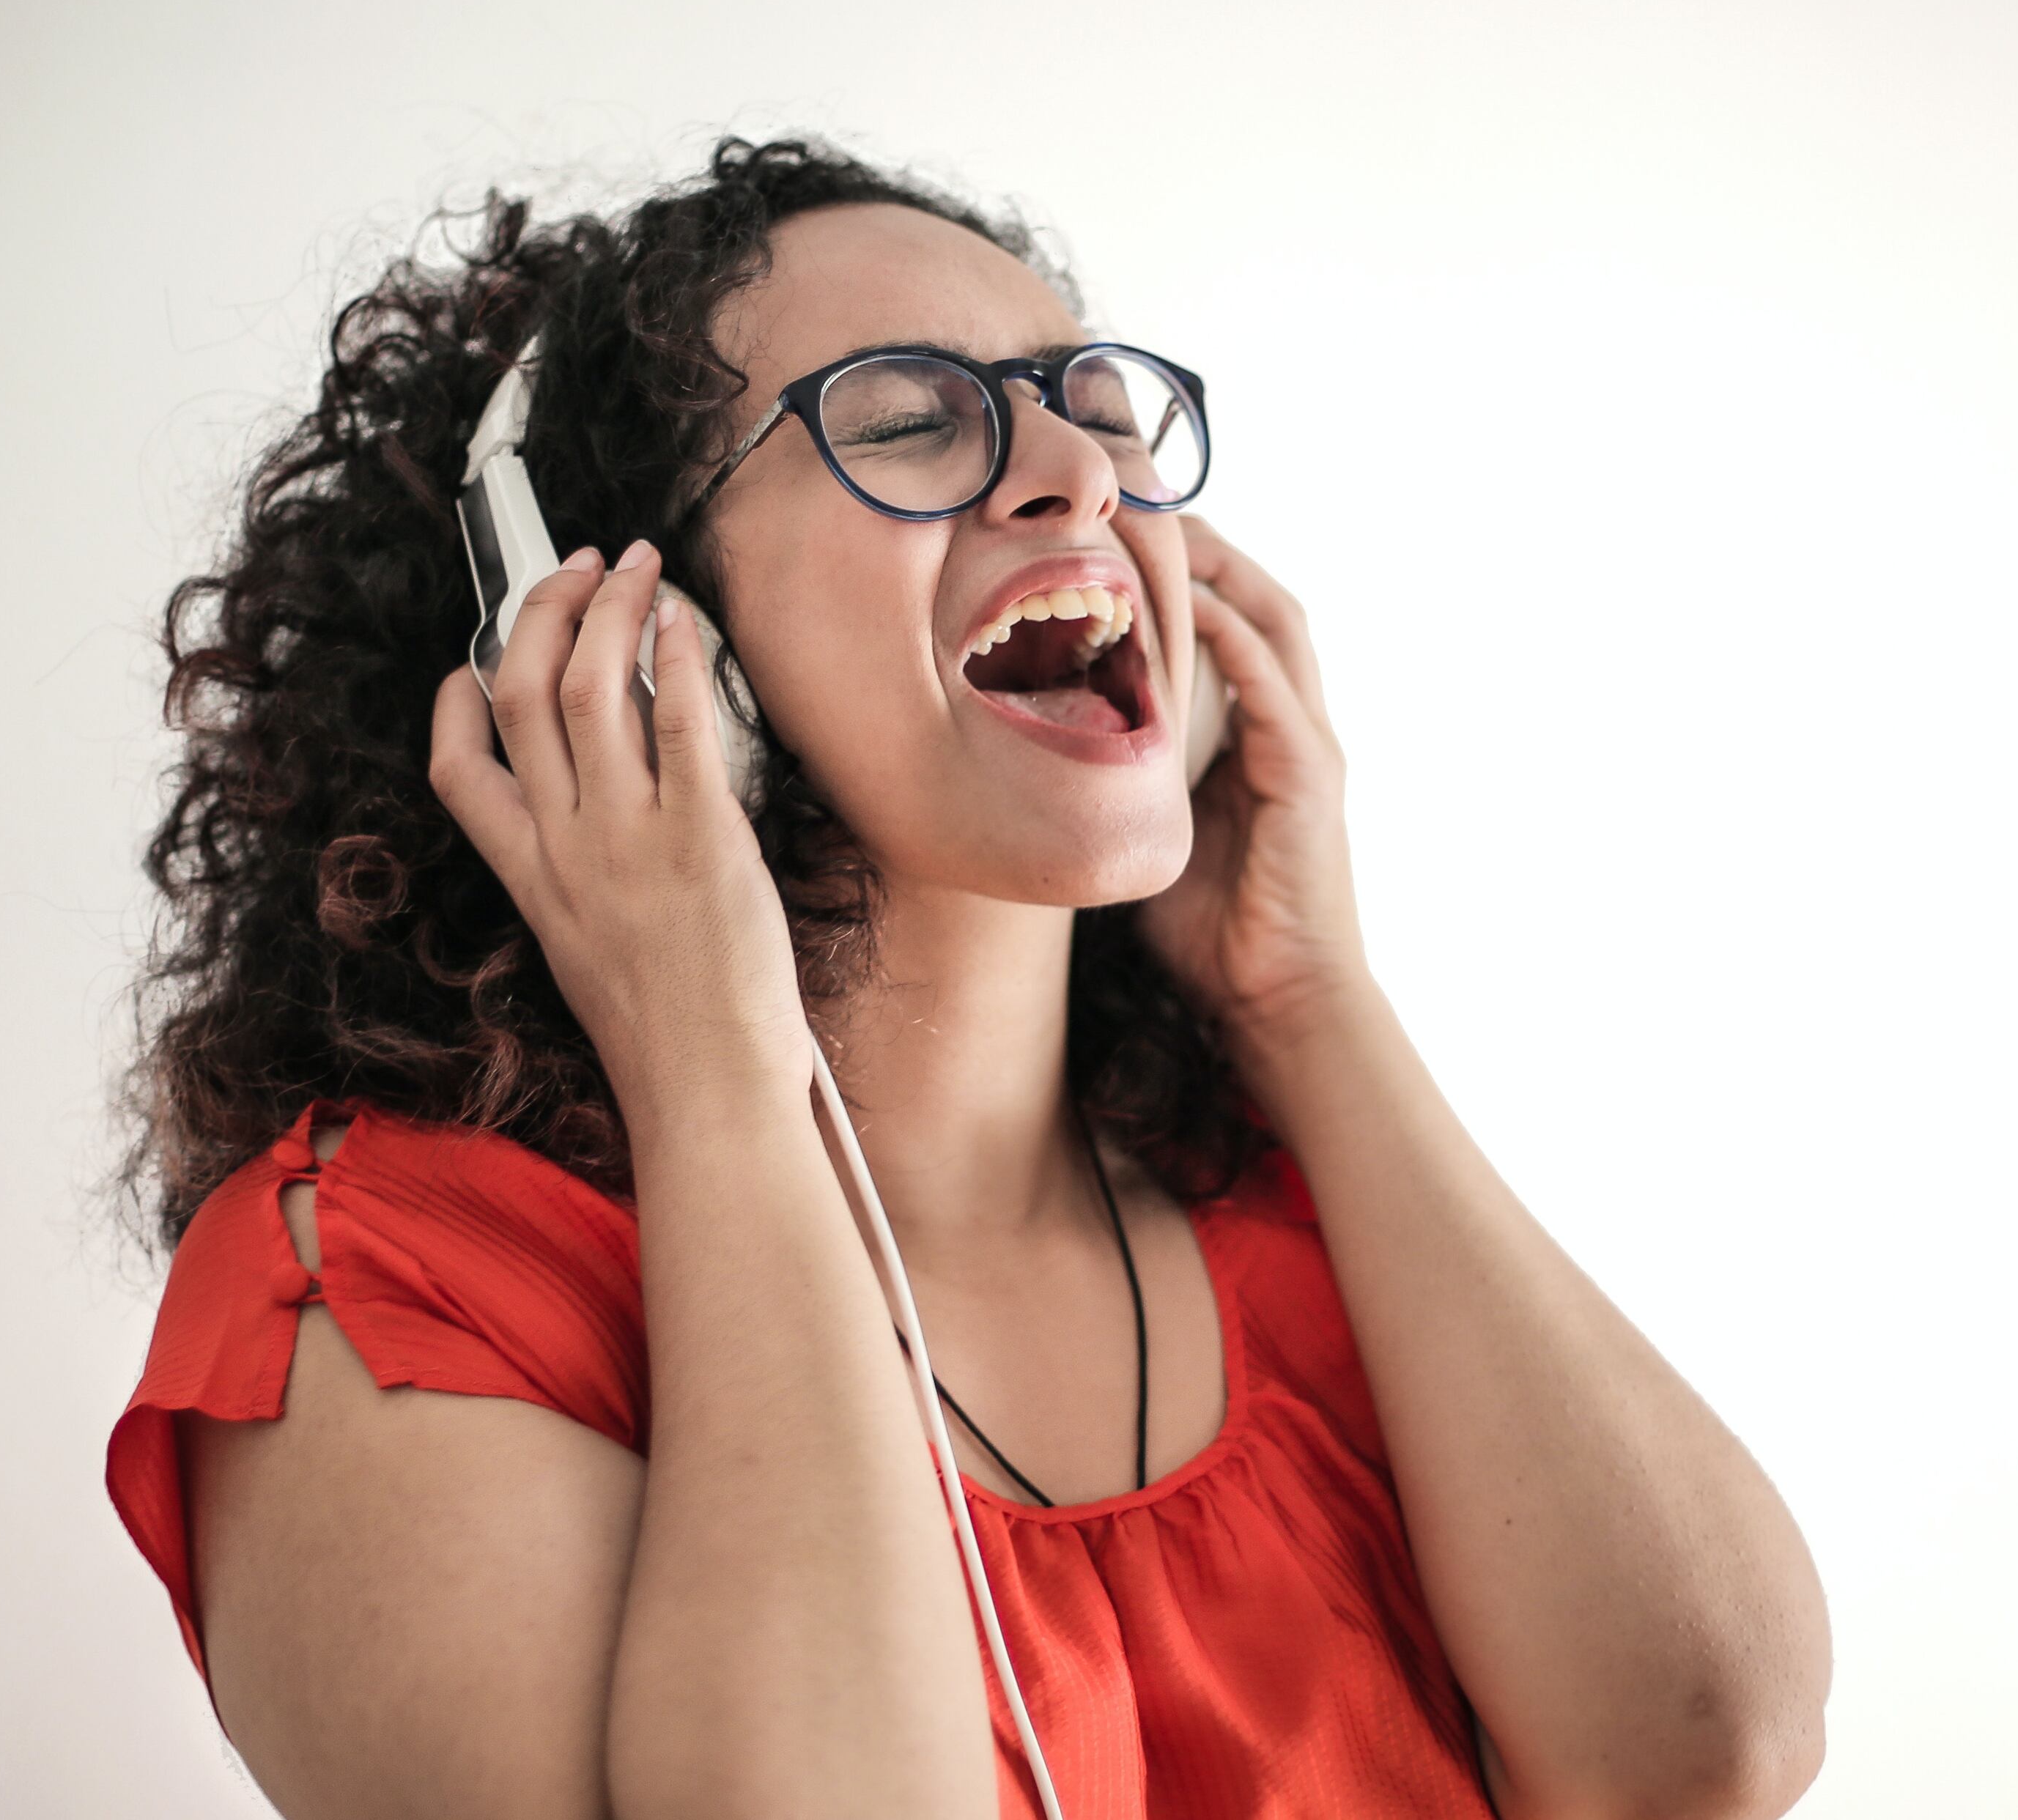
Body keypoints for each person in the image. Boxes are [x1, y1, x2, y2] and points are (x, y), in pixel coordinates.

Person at [106, 138, 1830, 1819]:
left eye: (1093, 407)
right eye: (911, 421)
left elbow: (1699, 1753)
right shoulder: (383, 1290)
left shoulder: (1311, 1218)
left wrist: (1311, 1002)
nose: (1076, 474)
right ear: (611, 642)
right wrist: (717, 1070)